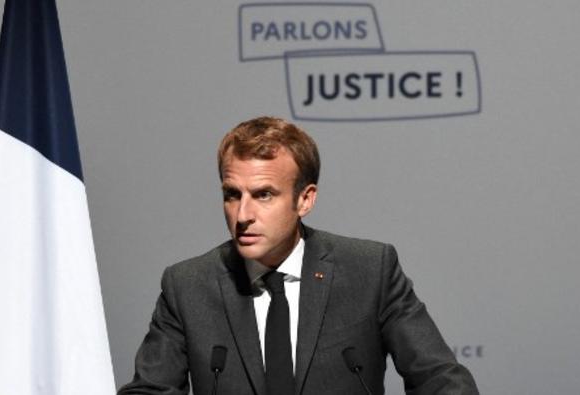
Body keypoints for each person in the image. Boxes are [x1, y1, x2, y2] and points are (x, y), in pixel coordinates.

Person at [118, 116, 478, 395]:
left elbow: (441, 381)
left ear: (305, 199)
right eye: (232, 194)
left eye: (263, 195)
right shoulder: (188, 287)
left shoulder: (369, 270)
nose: (242, 215)